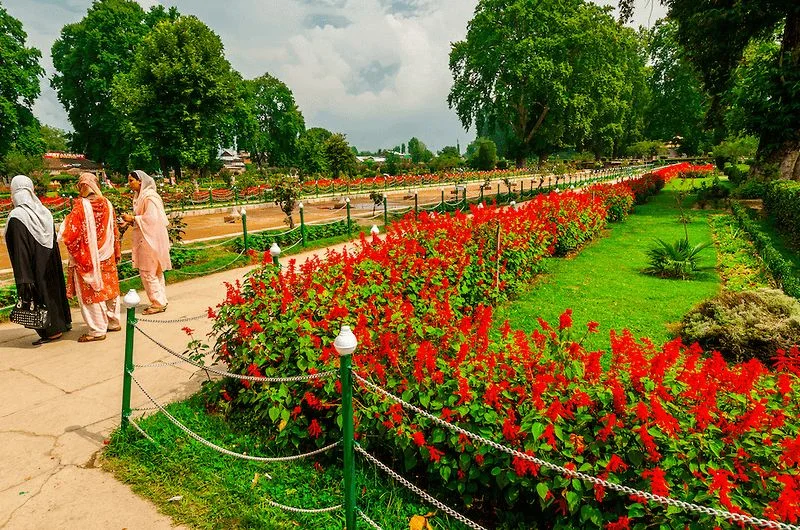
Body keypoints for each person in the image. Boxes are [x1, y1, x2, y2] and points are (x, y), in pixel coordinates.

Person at [3, 175, 72, 345]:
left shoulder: (17, 216)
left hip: (33, 267)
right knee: (53, 292)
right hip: (50, 263)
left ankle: (51, 331)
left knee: (40, 297)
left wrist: (24, 277)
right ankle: (62, 323)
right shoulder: (44, 212)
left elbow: (20, 251)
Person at [61, 172, 121, 342]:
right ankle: (113, 322)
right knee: (109, 288)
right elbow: (114, 230)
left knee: (91, 291)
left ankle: (96, 330)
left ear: (81, 186)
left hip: (87, 257)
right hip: (107, 253)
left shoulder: (81, 206)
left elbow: (70, 234)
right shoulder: (108, 204)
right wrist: (116, 250)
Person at [120, 170, 171, 314]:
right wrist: (130, 222)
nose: (129, 184)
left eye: (131, 180)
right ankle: (161, 299)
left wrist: (133, 219)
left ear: (140, 181)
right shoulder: (140, 197)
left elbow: (152, 219)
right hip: (147, 237)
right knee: (155, 271)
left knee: (148, 271)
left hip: (150, 240)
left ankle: (157, 303)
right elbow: (143, 216)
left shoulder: (149, 197)